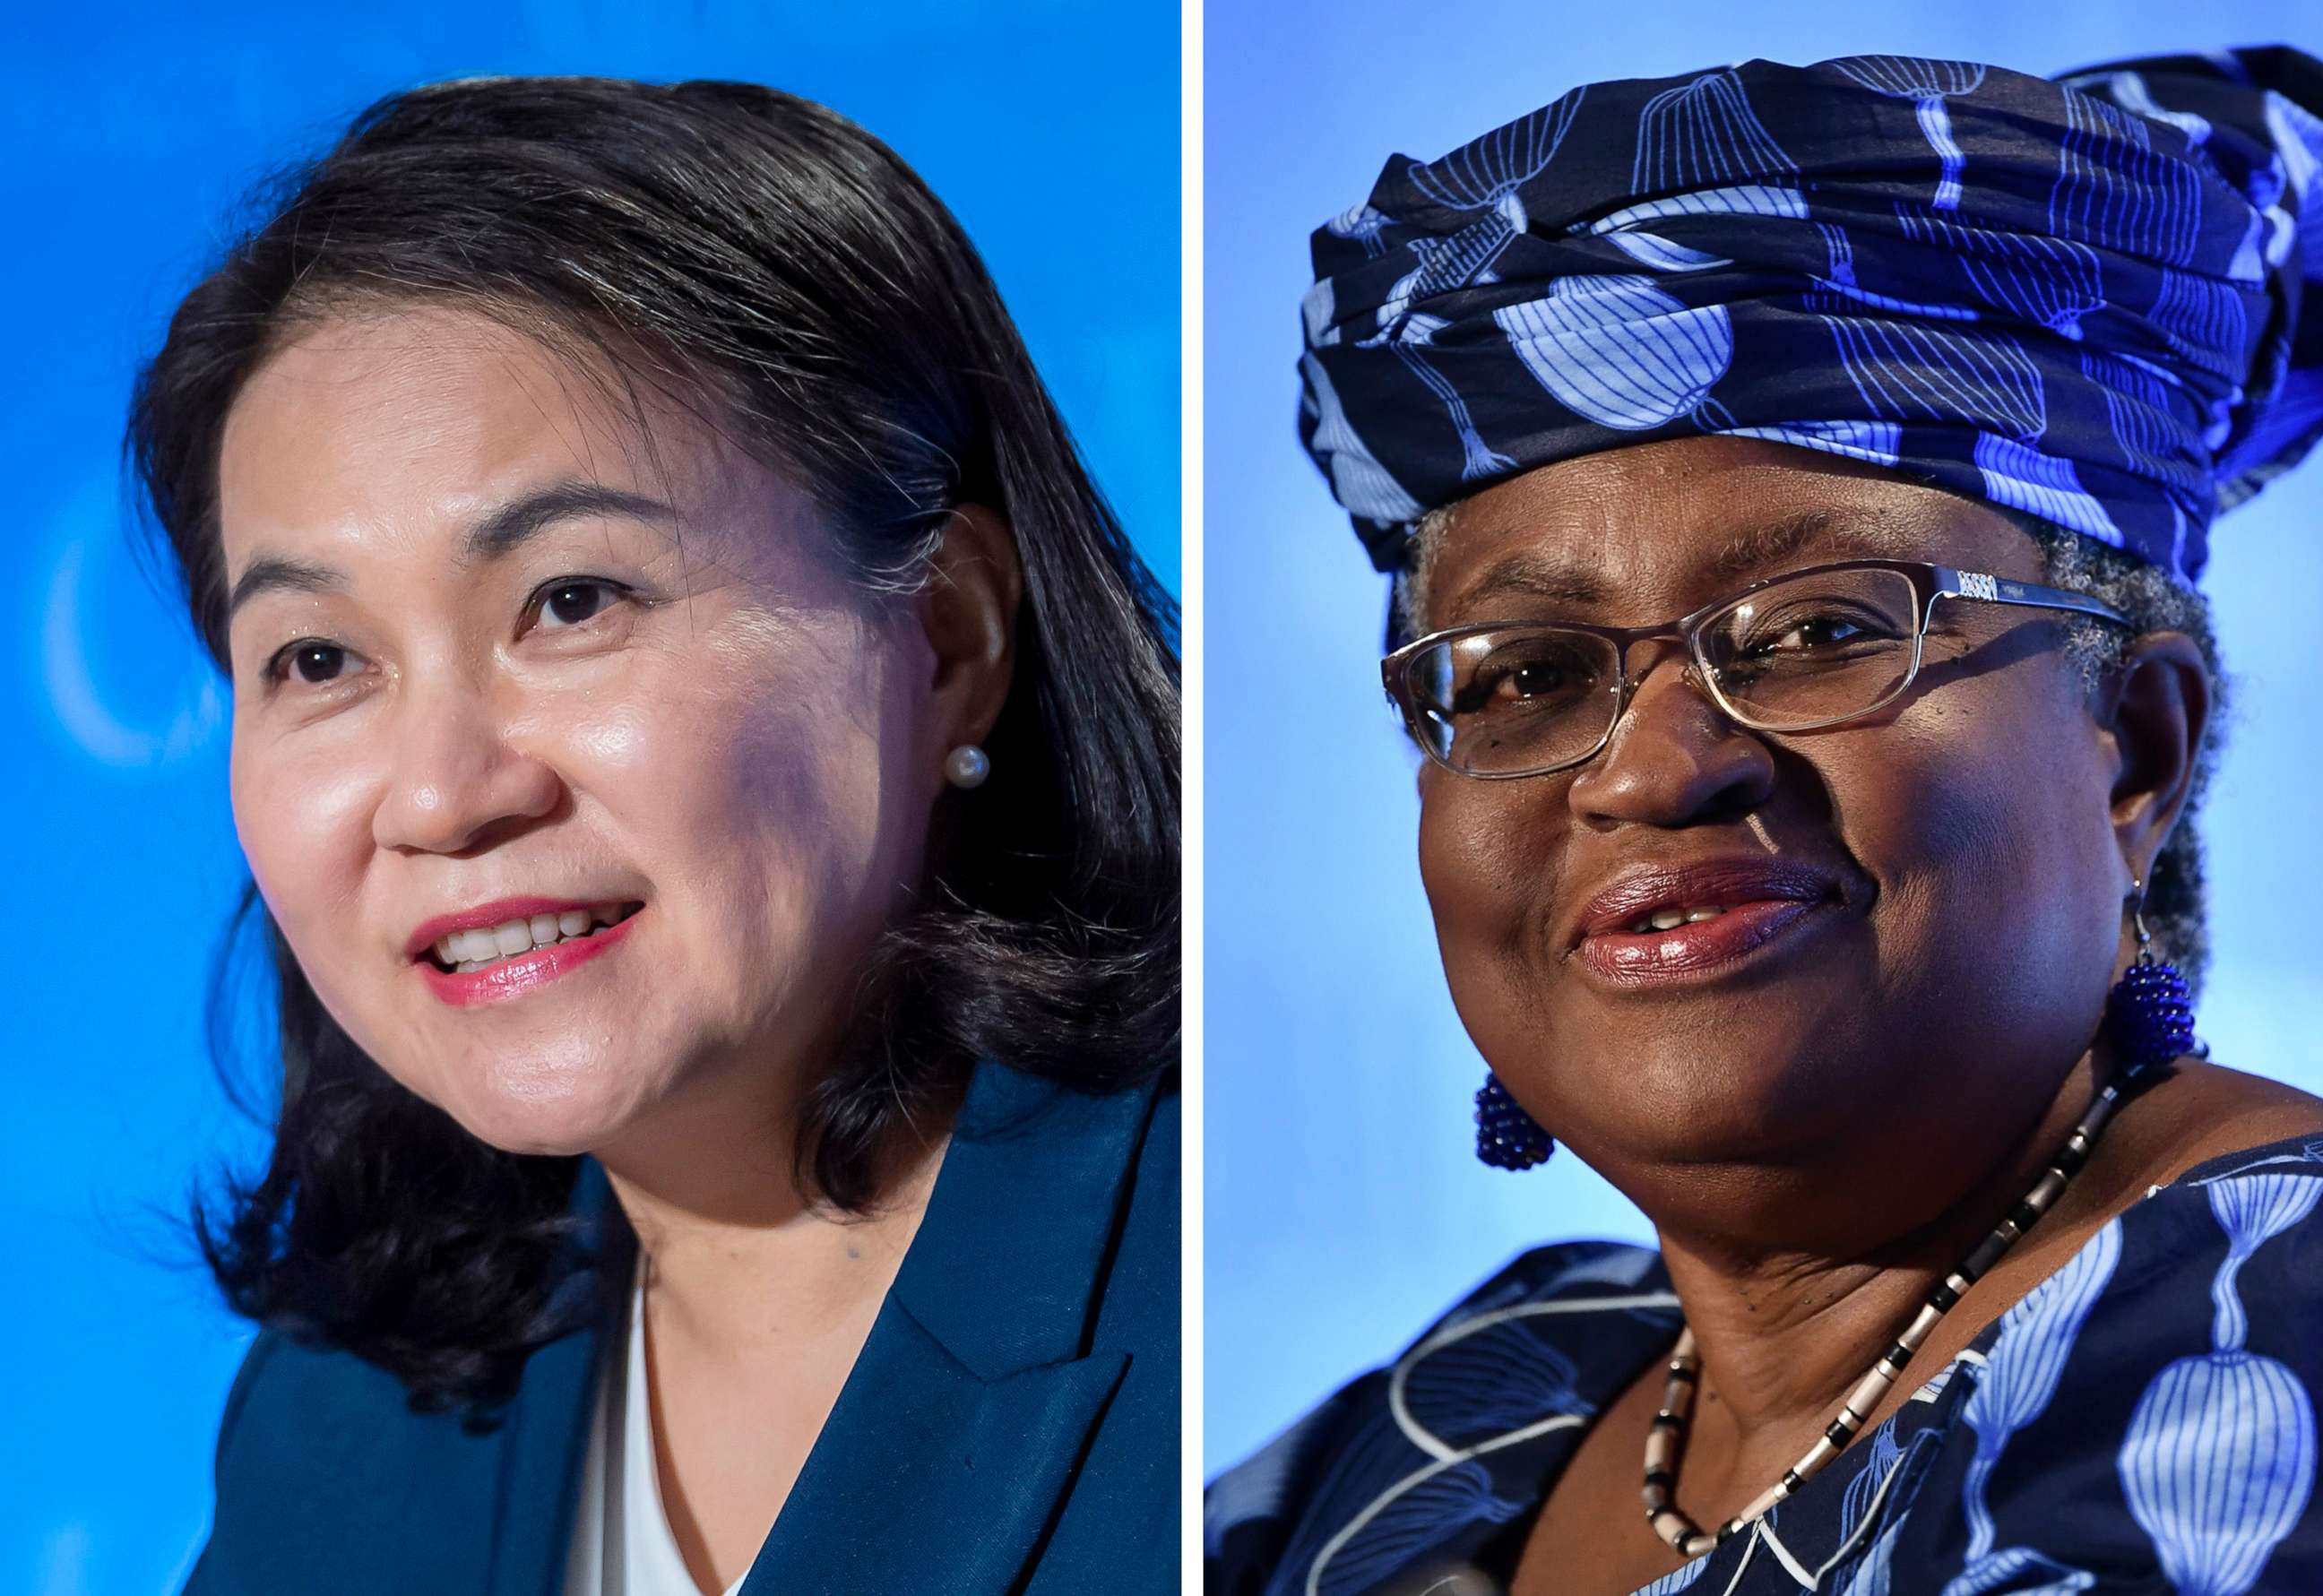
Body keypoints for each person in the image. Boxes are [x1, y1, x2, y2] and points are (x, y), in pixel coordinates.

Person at [1208, 45, 2323, 1596]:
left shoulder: (2261, 1330)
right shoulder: (1463, 1405)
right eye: (1527, 672)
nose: (1653, 771)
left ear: (2130, 747)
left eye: (1815, 629)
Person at [134, 75, 1179, 1596]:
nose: (439, 795)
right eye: (317, 659)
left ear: (945, 635)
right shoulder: (342, 1426)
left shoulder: (1208, 1318)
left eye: (571, 601)